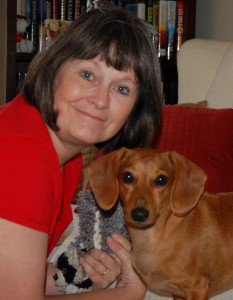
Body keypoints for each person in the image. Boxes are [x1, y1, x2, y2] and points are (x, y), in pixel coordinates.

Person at [0, 6, 162, 300]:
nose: (100, 100)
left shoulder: (66, 157)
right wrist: (130, 292)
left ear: (135, 111)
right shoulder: (23, 155)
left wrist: (75, 277)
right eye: (88, 74)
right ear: (54, 68)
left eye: (122, 89)